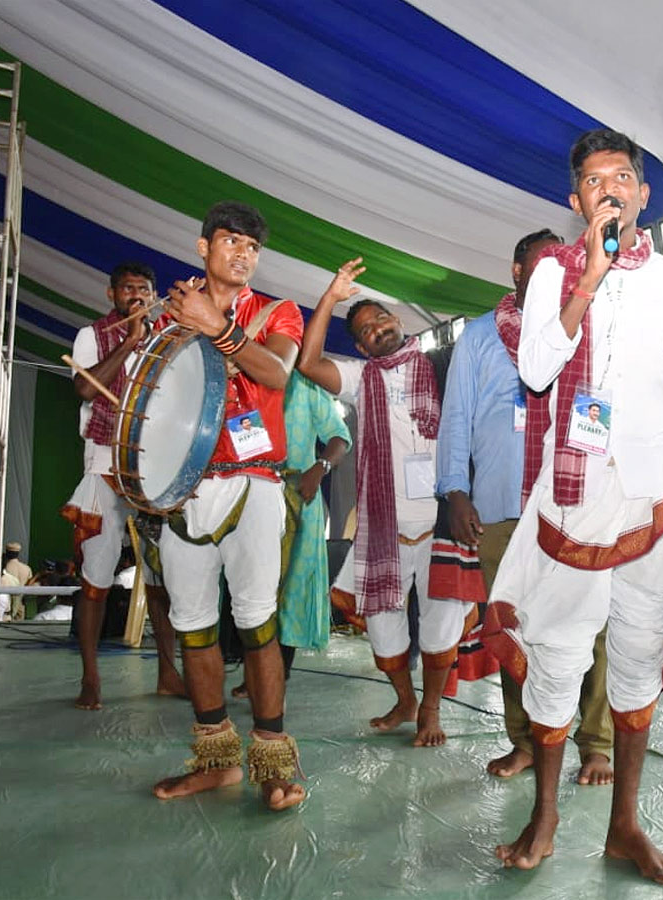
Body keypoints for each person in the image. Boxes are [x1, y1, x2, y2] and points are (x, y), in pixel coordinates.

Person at [483, 128, 663, 884]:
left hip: (652, 491)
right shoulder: (551, 269)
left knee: (641, 656)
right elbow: (539, 368)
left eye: (622, 175)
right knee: (555, 651)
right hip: (573, 496)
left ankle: (625, 826)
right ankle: (545, 814)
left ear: (644, 193)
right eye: (592, 178)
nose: (608, 186)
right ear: (575, 197)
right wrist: (588, 272)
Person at [437, 228, 614, 785]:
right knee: (513, 626)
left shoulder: (588, 326)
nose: (551, 274)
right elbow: (457, 415)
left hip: (577, 503)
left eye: (561, 264)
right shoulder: (480, 337)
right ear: (516, 272)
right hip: (500, 504)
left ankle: (596, 743)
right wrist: (455, 491)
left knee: (592, 628)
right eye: (538, 266)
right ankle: (525, 741)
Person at [150, 201, 306, 812]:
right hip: (185, 488)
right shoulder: (174, 313)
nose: (242, 254)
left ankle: (271, 760)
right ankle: (216, 761)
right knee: (192, 625)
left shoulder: (276, 311)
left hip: (255, 482)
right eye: (230, 242)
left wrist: (213, 323)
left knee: (256, 621)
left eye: (251, 248)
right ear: (203, 247)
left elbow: (275, 373)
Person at [299, 265, 471, 748]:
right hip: (382, 529)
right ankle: (405, 700)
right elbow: (309, 363)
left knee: (441, 626)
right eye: (366, 332)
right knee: (383, 629)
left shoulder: (442, 363)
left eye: (381, 320)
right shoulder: (358, 378)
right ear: (360, 347)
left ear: (397, 319)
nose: (378, 330)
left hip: (441, 522)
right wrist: (331, 297)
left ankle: (431, 709)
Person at [61, 261, 185, 709]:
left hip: (153, 468)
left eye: (143, 289)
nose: (136, 295)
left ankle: (169, 673)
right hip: (105, 464)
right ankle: (90, 677)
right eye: (128, 289)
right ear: (112, 294)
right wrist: (130, 340)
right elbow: (84, 389)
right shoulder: (92, 335)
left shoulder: (166, 336)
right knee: (97, 573)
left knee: (160, 575)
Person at [231, 370, 351, 698]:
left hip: (299, 495)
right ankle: (254, 669)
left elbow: (339, 437)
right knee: (252, 585)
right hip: (251, 492)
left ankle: (276, 676)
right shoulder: (242, 379)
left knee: (290, 590)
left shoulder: (307, 384)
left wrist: (320, 467)